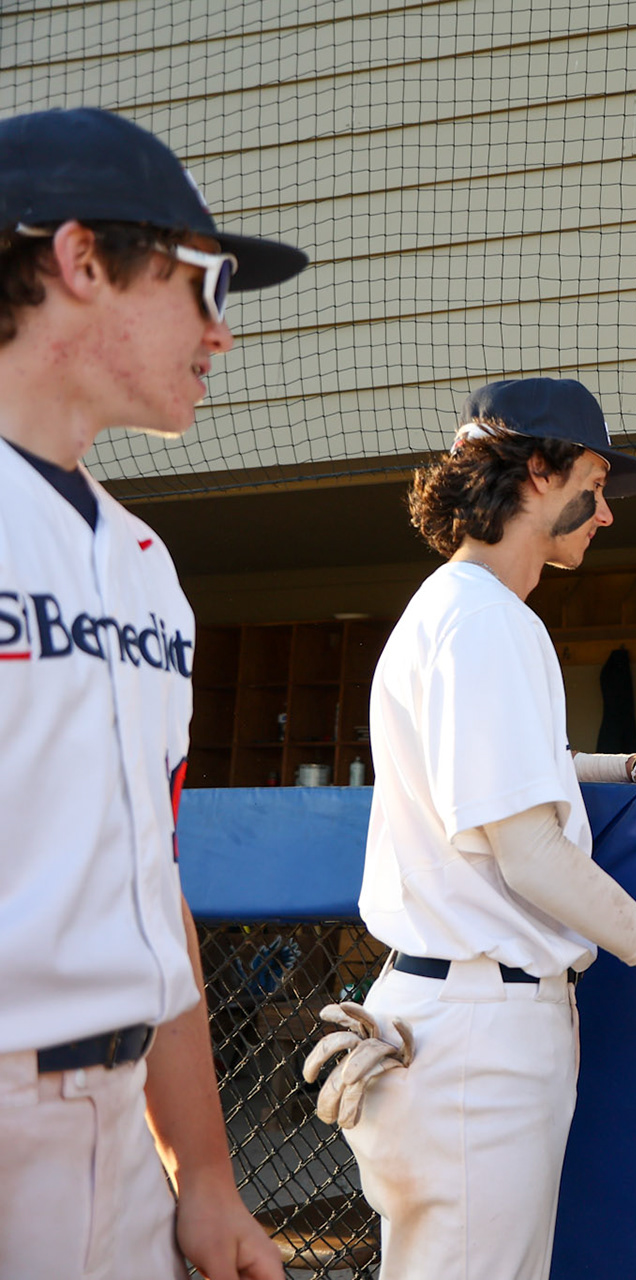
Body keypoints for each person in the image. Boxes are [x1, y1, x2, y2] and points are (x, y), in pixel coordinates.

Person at [342, 377, 636, 1280]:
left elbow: (495, 782)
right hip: (474, 1026)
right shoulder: (483, 619)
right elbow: (529, 852)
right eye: (596, 479)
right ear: (541, 473)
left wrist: (624, 767)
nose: (607, 513)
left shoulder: (461, 608)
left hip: (460, 1015)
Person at [0, 107, 306, 1280]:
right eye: (207, 281)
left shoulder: (147, 566)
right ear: (81, 260)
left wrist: (210, 1176)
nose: (224, 332)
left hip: (126, 1135)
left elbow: (153, 874)